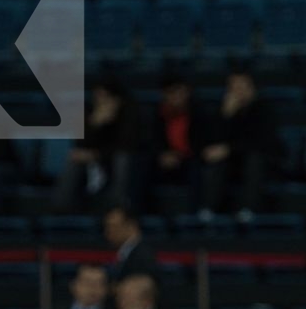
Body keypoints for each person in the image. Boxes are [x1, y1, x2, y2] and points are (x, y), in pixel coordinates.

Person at [200, 67, 274, 217]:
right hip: (232, 164)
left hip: (262, 162)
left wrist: (228, 149)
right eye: (233, 87)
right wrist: (225, 116)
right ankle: (207, 211)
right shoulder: (224, 110)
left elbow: (260, 141)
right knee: (215, 161)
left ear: (252, 88)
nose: (237, 91)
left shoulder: (264, 109)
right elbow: (214, 141)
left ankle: (248, 210)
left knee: (255, 160)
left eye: (242, 86)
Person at [54, 81, 138, 210]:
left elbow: (127, 147)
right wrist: (94, 125)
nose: (101, 102)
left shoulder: (130, 116)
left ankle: (119, 208)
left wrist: (97, 154)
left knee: (122, 160)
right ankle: (62, 208)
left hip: (121, 164)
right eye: (97, 97)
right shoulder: (90, 115)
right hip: (95, 164)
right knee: (74, 158)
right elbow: (80, 145)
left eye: (105, 97)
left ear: (117, 100)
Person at [139, 74, 210, 213]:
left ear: (187, 92)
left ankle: (196, 214)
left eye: (179, 91)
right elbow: (151, 141)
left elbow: (203, 142)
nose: (175, 96)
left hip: (191, 159)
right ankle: (141, 212)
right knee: (142, 164)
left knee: (198, 169)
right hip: (165, 160)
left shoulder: (199, 112)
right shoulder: (158, 114)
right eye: (170, 92)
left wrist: (182, 155)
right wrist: (162, 154)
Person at [104, 203, 159, 284]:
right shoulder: (125, 253)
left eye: (114, 226)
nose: (108, 232)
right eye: (107, 227)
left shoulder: (143, 255)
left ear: (131, 226)